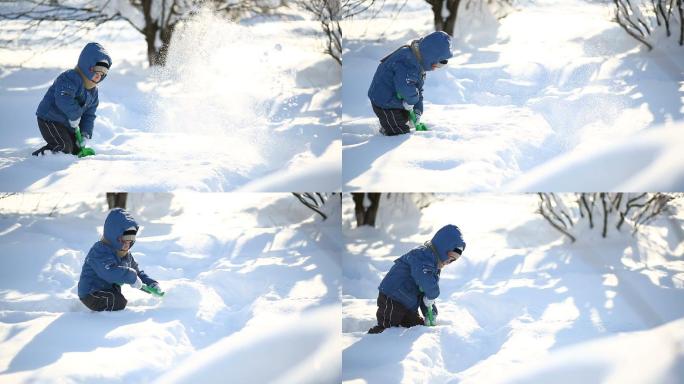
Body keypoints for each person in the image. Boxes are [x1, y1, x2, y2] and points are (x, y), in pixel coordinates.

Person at [368, 224, 465, 334]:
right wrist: (432, 295)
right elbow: (426, 283)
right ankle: (374, 340)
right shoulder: (422, 256)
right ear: (442, 248)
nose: (449, 262)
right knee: (388, 326)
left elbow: (425, 292)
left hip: (409, 303)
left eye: (453, 261)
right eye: (450, 258)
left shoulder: (433, 266)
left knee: (416, 326)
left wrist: (430, 310)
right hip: (392, 298)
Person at [367, 31, 453, 136]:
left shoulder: (418, 62)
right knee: (399, 132)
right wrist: (412, 100)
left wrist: (417, 110)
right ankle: (384, 137)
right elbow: (405, 87)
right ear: (430, 56)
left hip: (396, 99)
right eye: (440, 62)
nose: (438, 66)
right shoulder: (408, 63)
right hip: (385, 102)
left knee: (404, 117)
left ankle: (387, 127)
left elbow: (417, 89)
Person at [33, 42, 111, 156]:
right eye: (97, 71)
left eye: (103, 73)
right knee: (63, 147)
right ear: (87, 66)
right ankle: (39, 159)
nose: (99, 76)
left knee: (75, 149)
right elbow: (63, 98)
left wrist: (85, 133)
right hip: (50, 119)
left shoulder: (93, 92)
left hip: (68, 124)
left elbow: (89, 114)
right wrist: (74, 114)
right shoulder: (70, 78)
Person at [77, 208, 161, 312]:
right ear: (113, 235)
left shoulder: (126, 255)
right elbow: (109, 272)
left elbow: (137, 274)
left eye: (131, 239)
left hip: (107, 290)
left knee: (117, 299)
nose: (127, 243)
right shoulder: (100, 251)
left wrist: (151, 285)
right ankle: (99, 322)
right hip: (91, 293)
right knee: (118, 302)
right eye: (124, 239)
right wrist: (131, 277)